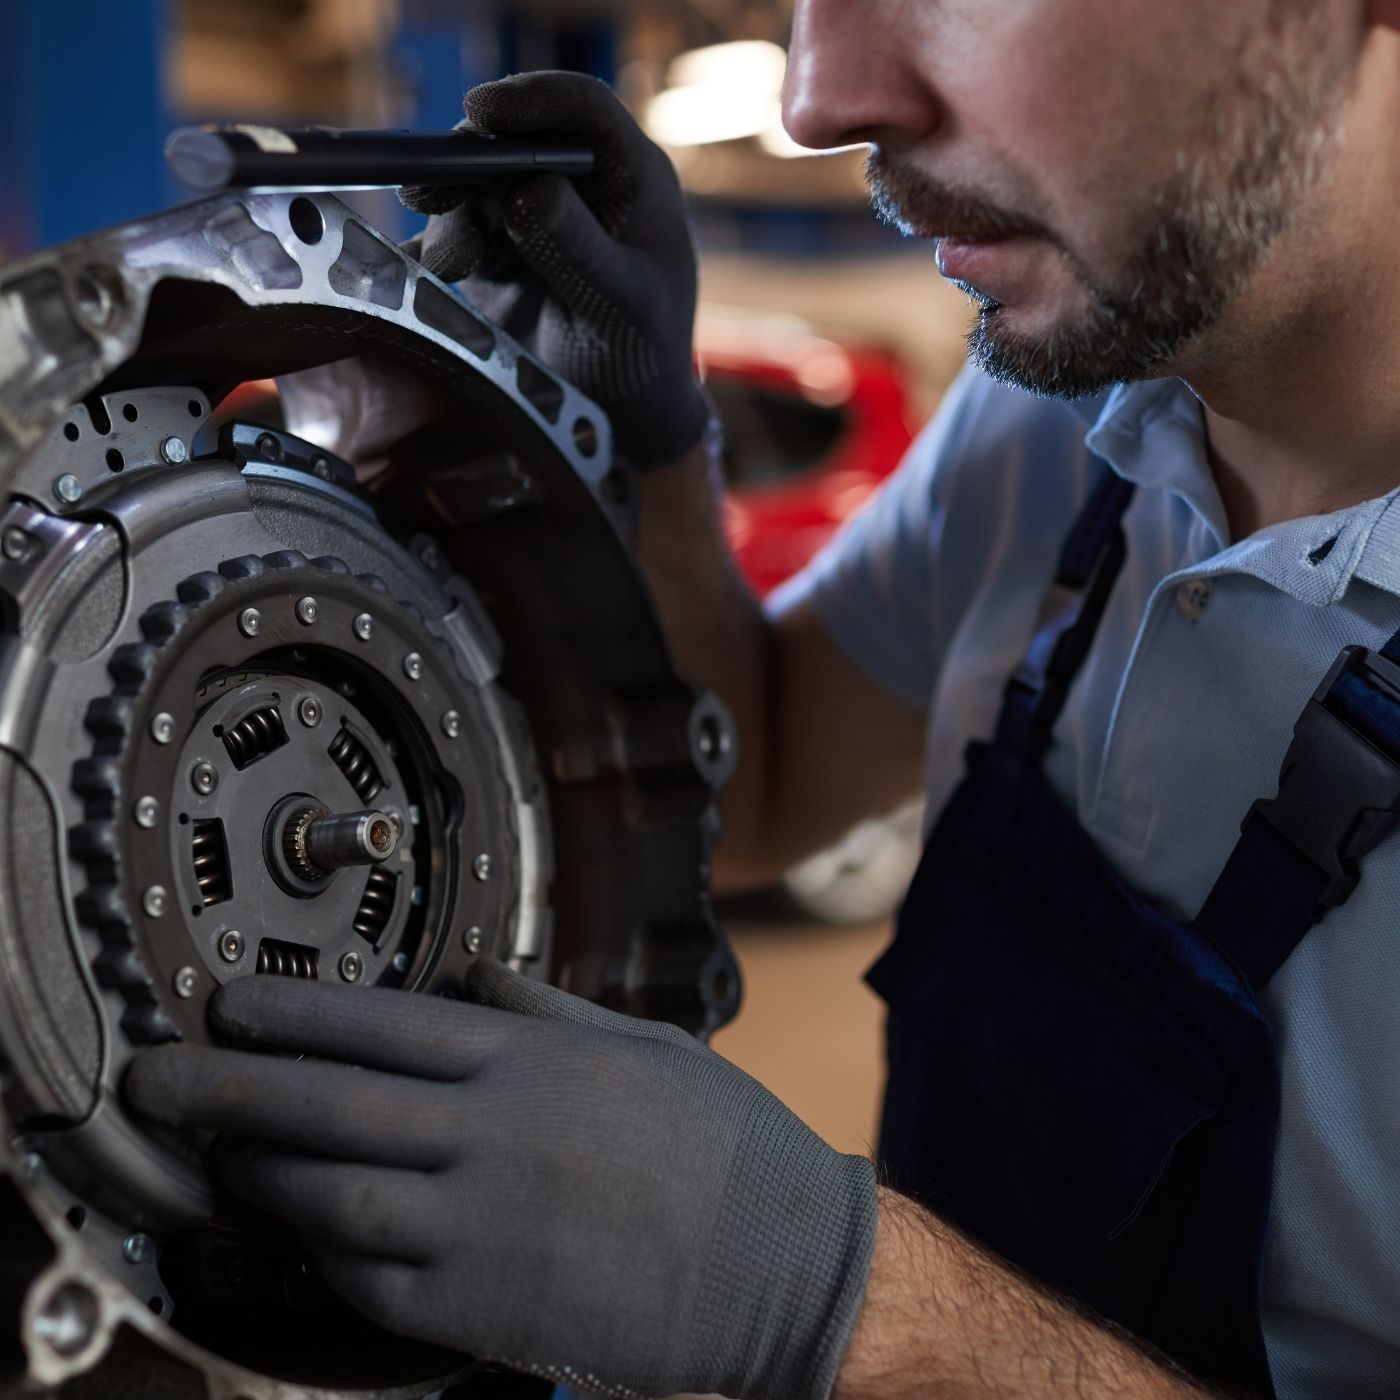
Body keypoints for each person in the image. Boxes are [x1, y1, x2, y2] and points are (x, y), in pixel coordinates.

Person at [126, 1, 1400, 1396]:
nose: (818, 99)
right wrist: (648, 427)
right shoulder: (1061, 414)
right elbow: (754, 796)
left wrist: (830, 1310)